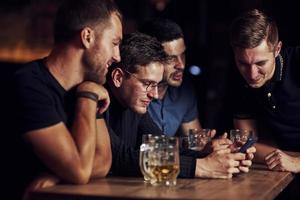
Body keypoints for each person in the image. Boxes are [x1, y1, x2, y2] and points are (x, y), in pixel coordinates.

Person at [105, 32, 256, 179]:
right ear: (118, 77)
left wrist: (220, 158)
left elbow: (163, 148)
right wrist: (201, 167)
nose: (155, 94)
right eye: (148, 84)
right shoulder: (98, 102)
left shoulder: (134, 105)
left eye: (156, 85)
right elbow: (120, 157)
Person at [13, 0, 122, 198]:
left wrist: (58, 174)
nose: (118, 56)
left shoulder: (88, 89)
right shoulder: (29, 85)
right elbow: (80, 170)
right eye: (114, 43)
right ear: (87, 37)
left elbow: (103, 160)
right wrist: (88, 94)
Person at [230, 9, 300, 199]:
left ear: (277, 49)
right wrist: (286, 158)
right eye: (243, 63)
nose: (251, 74)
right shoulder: (238, 78)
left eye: (261, 63)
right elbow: (246, 145)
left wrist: (297, 161)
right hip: (281, 173)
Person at [139, 19, 202, 137]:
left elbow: (196, 142)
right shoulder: (135, 94)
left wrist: (212, 148)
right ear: (149, 58)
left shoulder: (185, 91)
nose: (181, 65)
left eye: (182, 55)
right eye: (170, 58)